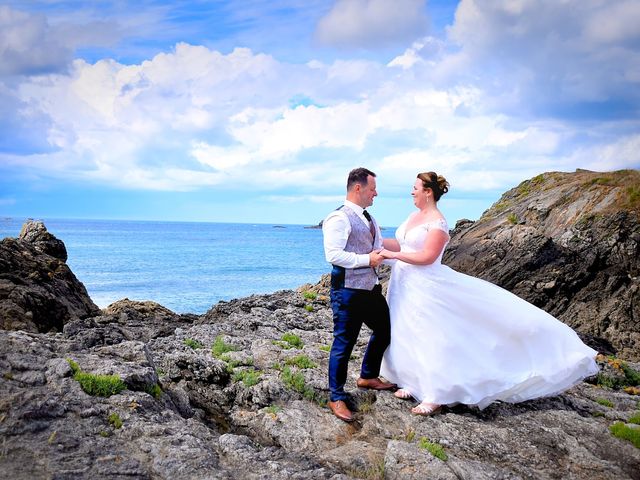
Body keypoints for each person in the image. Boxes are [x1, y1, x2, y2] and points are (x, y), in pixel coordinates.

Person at [378, 171, 599, 416]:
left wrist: (393, 256)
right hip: (404, 284)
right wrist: (377, 242)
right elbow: (403, 245)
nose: (412, 191)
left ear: (428, 192)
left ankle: (436, 394)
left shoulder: (438, 223)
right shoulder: (413, 216)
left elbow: (427, 257)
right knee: (406, 330)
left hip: (427, 286)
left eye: (415, 187)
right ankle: (412, 381)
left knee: (431, 334)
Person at [322, 167, 397, 422]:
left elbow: (379, 251)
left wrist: (410, 262)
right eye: (372, 189)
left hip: (371, 289)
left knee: (386, 329)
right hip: (347, 292)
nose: (375, 194)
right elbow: (333, 255)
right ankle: (336, 397)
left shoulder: (370, 219)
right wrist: (368, 259)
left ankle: (367, 376)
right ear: (358, 188)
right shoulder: (339, 218)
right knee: (344, 343)